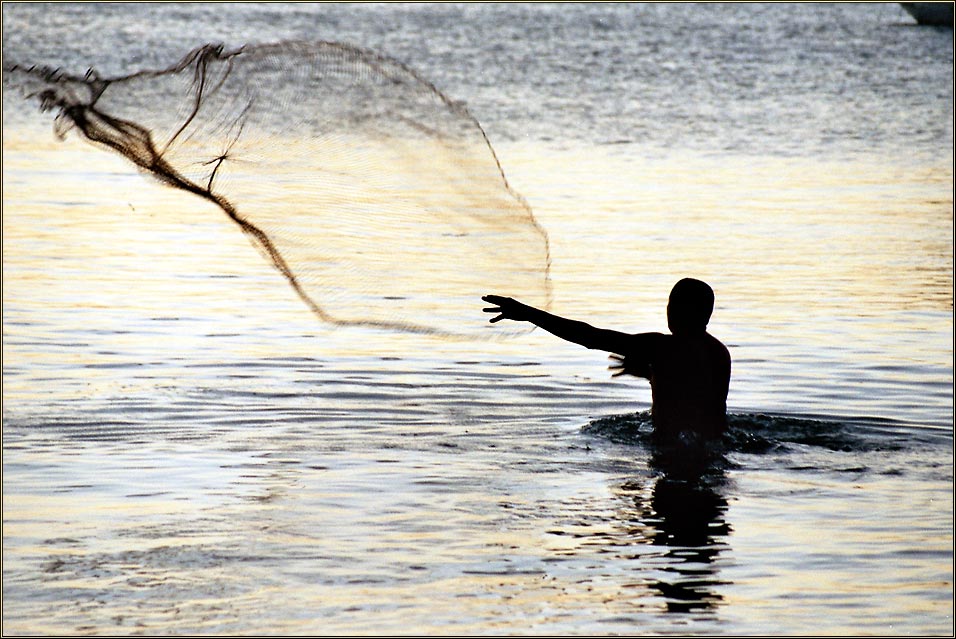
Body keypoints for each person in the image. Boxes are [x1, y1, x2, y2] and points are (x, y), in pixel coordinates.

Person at [482, 278, 731, 442]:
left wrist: (527, 313)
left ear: (682, 311)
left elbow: (590, 337)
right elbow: (693, 389)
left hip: (670, 447)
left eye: (673, 304)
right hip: (714, 444)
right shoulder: (719, 353)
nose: (669, 309)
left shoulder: (661, 347)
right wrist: (649, 373)